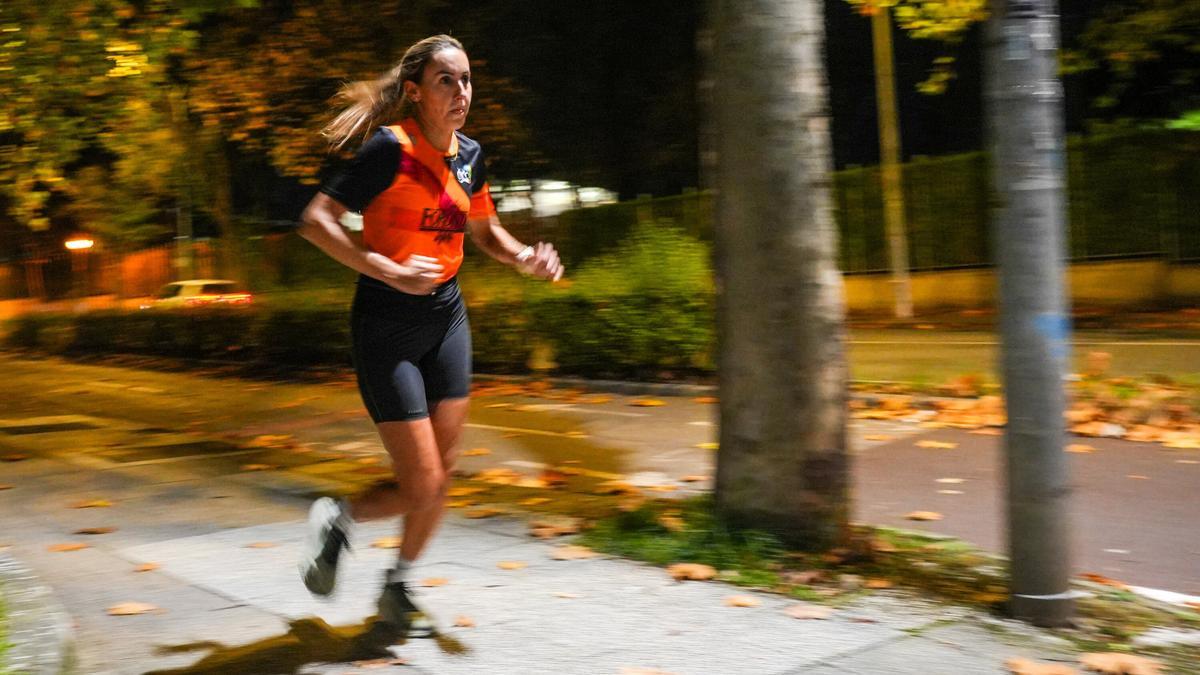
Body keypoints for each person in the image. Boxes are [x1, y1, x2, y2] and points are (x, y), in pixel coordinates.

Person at [296, 34, 563, 636]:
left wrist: (526, 258)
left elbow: (485, 231)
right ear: (415, 92)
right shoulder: (388, 151)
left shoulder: (470, 155)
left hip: (446, 318)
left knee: (442, 478)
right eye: (447, 80)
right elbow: (315, 221)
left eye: (467, 79)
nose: (462, 91)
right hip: (386, 324)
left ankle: (398, 584)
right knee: (424, 483)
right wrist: (387, 269)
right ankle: (340, 518)